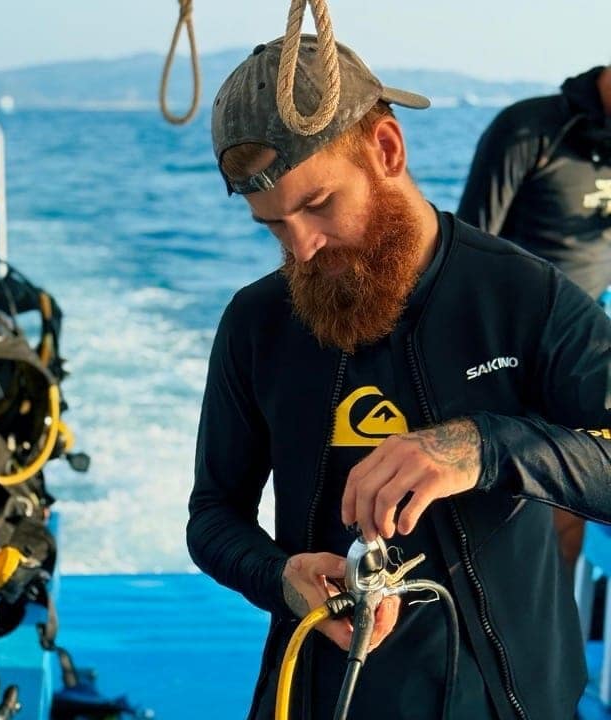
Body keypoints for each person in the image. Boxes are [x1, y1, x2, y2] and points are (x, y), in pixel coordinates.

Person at [187, 34, 611, 720]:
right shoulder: (257, 322)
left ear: (387, 149)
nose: (301, 248)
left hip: (512, 700)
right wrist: (279, 575)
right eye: (273, 226)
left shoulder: (523, 298)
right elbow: (212, 515)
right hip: (322, 695)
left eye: (320, 204)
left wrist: (485, 446)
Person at [458, 64, 611, 567]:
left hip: (588, 350)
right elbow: (470, 245)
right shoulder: (529, 129)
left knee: (576, 494)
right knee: (509, 503)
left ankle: (557, 618)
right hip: (513, 349)